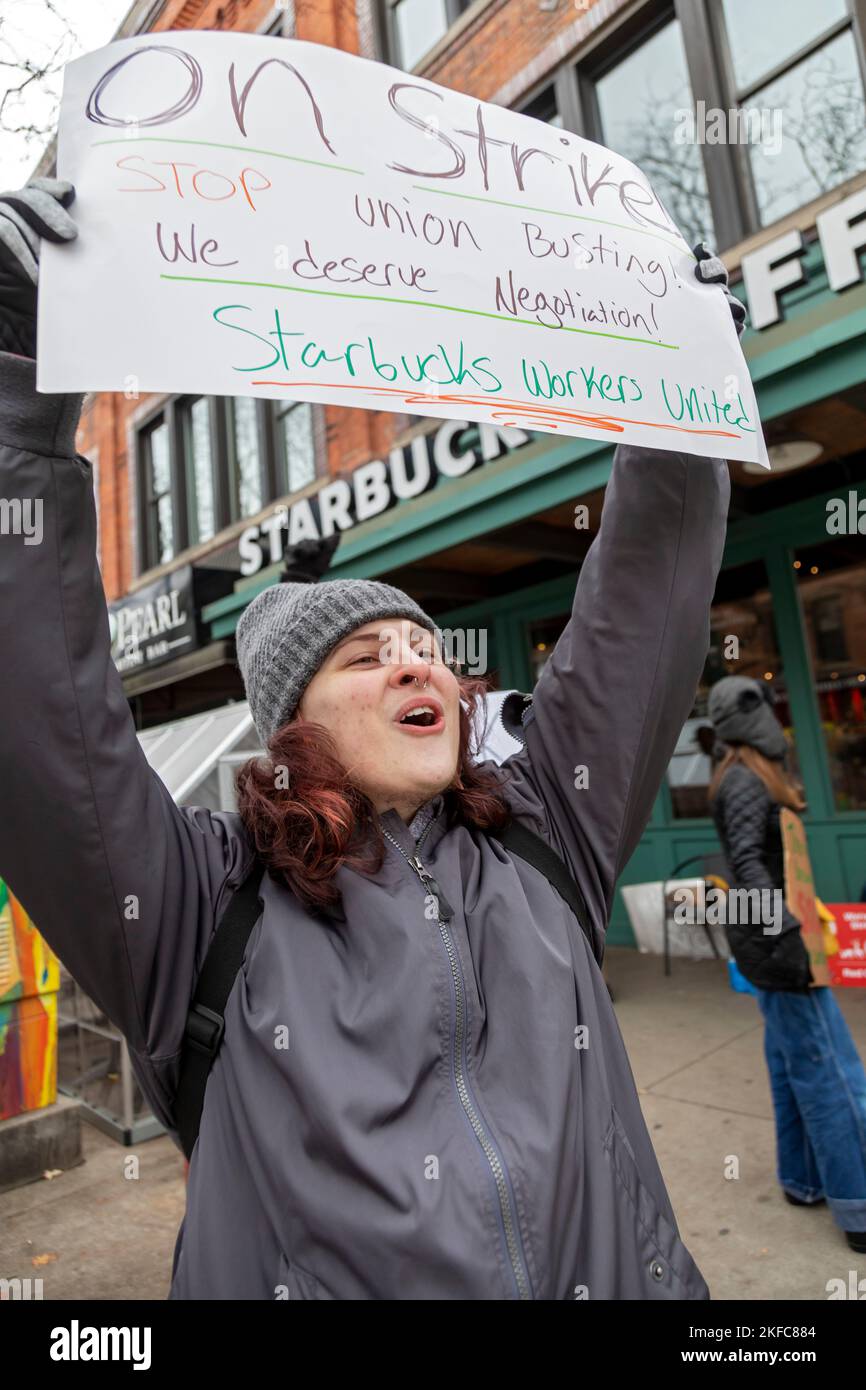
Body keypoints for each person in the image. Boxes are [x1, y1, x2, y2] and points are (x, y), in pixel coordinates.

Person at [0, 177, 736, 1300]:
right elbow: (38, 708)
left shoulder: (547, 837)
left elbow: (640, 604)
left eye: (425, 645)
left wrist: (686, 394)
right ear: (291, 730)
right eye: (365, 655)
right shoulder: (194, 907)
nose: (414, 662)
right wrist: (13, 379)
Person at [707, 676, 866, 1253]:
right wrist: (788, 930)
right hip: (778, 945)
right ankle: (858, 1205)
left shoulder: (739, 775)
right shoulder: (746, 780)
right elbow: (748, 860)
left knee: (793, 1061)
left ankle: (802, 1181)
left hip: (769, 941)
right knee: (831, 1071)